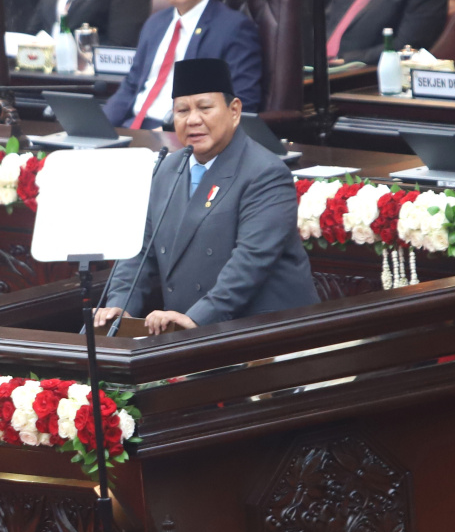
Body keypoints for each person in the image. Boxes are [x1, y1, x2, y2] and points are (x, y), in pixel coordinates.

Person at [95, 58, 317, 334]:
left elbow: (250, 262)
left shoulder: (265, 173)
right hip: (189, 330)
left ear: (234, 111)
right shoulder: (167, 169)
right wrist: (121, 306)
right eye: (182, 110)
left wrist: (199, 318)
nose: (193, 120)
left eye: (205, 108)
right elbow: (139, 250)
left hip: (262, 331)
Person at [103, 0, 263, 128]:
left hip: (181, 135)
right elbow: (130, 87)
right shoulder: (154, 24)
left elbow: (241, 104)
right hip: (133, 128)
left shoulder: (233, 29)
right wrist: (98, 128)